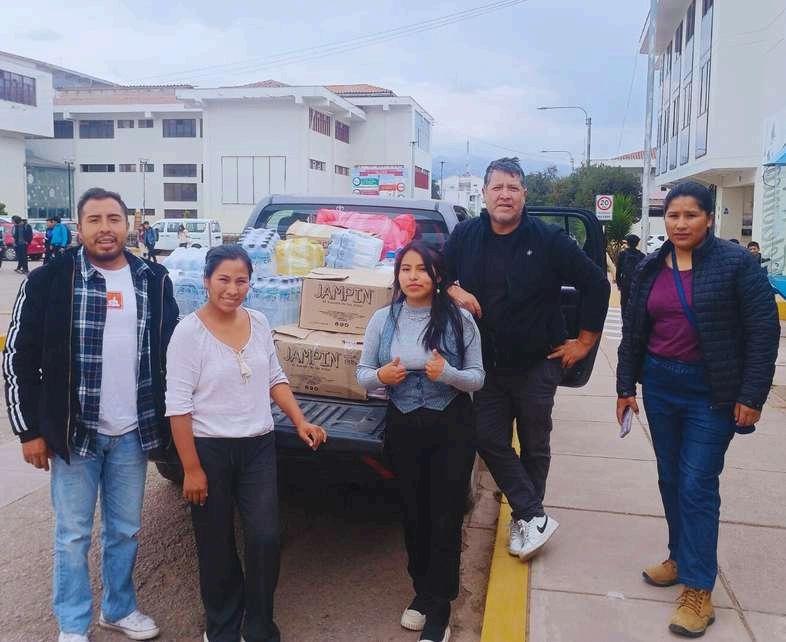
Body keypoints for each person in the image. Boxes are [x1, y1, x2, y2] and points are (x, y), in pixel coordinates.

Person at [2, 187, 179, 642]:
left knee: (125, 531)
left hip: (132, 432)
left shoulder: (153, 279)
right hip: (74, 432)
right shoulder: (49, 280)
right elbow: (18, 358)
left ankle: (118, 609)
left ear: (128, 226)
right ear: (79, 228)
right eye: (95, 219)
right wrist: (28, 430)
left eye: (113, 219)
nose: (105, 228)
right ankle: (73, 624)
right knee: (73, 535)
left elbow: (173, 352)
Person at [616, 181, 780, 638]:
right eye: (673, 215)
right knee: (670, 478)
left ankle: (699, 589)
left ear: (709, 218)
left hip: (712, 393)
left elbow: (764, 331)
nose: (681, 223)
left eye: (691, 215)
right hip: (661, 386)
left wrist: (752, 395)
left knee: (696, 484)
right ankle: (679, 556)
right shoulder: (651, 266)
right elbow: (634, 332)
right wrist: (625, 386)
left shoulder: (736, 265)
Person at [443, 157, 610, 561]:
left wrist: (584, 343)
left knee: (535, 443)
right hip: (486, 363)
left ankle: (524, 520)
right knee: (488, 438)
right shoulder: (466, 235)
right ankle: (533, 514)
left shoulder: (549, 239)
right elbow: (437, 273)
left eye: (512, 187)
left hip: (538, 361)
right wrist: (453, 289)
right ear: (484, 194)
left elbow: (596, 284)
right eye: (497, 187)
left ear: (523, 194)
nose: (505, 195)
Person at [165, 244, 327, 642]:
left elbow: (275, 378)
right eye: (223, 279)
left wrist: (300, 420)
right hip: (209, 449)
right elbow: (178, 407)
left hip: (257, 447)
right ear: (206, 281)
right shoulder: (188, 334)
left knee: (265, 537)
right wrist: (190, 468)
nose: (232, 289)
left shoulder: (258, 321)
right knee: (216, 544)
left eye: (241, 281)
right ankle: (221, 626)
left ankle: (259, 625)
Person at [357, 242, 484, 642]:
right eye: (405, 269)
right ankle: (422, 590)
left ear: (437, 276)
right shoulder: (383, 319)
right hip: (404, 424)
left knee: (445, 516)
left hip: (451, 425)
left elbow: (478, 378)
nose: (413, 276)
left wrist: (448, 374)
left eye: (422, 269)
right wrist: (381, 377)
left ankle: (440, 607)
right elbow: (362, 374)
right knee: (413, 513)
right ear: (397, 276)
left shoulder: (460, 320)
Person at [615, 233, 647, 311]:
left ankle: (624, 318)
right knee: (635, 305)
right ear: (637, 243)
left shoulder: (622, 254)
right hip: (637, 284)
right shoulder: (642, 256)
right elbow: (644, 273)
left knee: (624, 304)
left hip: (625, 284)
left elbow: (618, 270)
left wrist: (619, 284)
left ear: (627, 243)